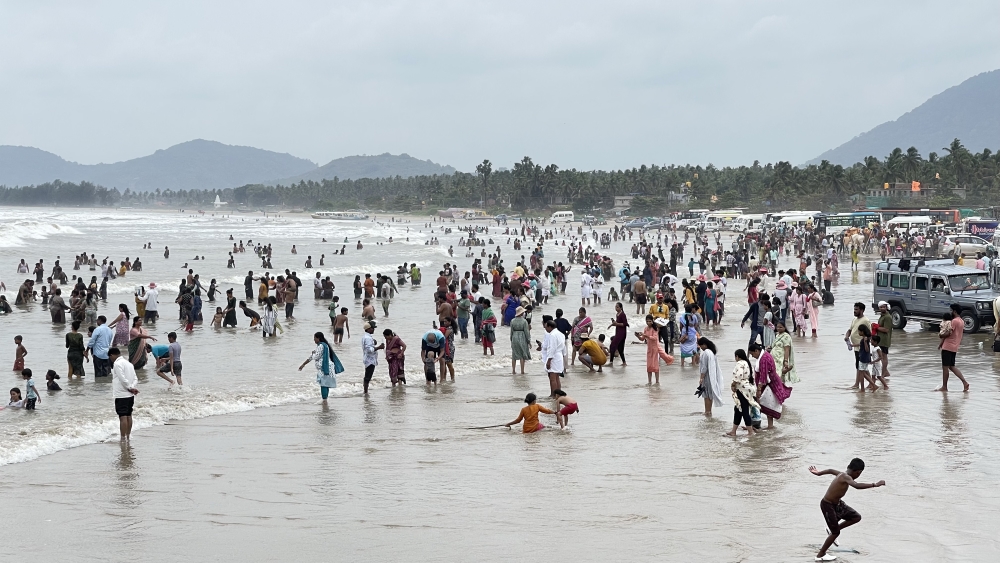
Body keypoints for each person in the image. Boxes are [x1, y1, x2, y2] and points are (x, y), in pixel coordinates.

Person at [809, 459, 885, 561]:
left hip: (837, 504)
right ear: (858, 472)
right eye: (859, 473)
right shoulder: (846, 477)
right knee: (836, 533)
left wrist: (819, 473)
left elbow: (831, 470)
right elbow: (856, 486)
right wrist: (875, 484)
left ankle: (832, 528)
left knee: (856, 517)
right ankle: (820, 555)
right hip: (828, 505)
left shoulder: (842, 474)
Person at [298, 332, 342, 401]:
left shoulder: (321, 346)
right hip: (326, 367)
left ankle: (324, 400)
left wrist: (313, 354)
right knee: (325, 384)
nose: (314, 340)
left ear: (318, 338)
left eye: (314, 338)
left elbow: (316, 357)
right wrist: (303, 364)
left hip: (325, 368)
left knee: (324, 384)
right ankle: (325, 400)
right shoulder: (323, 345)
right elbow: (311, 357)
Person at [937, 304, 970, 392]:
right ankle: (965, 382)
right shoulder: (961, 321)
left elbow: (948, 333)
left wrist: (940, 335)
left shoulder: (954, 321)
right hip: (954, 346)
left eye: (951, 310)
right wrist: (941, 343)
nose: (950, 312)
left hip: (948, 346)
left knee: (945, 367)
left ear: (955, 311)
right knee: (951, 366)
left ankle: (944, 387)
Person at [726, 349, 758, 437]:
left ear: (737, 356)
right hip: (748, 388)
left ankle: (750, 432)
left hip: (742, 389)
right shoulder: (747, 363)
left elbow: (739, 376)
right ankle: (733, 431)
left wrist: (733, 384)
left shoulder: (740, 363)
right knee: (738, 409)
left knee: (744, 410)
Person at [110, 347, 140, 440]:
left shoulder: (117, 364)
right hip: (130, 395)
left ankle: (122, 438)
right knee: (128, 415)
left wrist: (130, 388)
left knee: (122, 416)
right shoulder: (129, 364)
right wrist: (132, 387)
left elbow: (122, 378)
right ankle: (128, 436)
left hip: (121, 394)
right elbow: (135, 378)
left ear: (112, 355)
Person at [635, 314, 674, 384]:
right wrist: (638, 336)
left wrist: (645, 335)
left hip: (655, 348)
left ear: (652, 321)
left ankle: (657, 381)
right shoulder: (645, 329)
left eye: (650, 321)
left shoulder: (655, 329)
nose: (648, 322)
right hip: (649, 349)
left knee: (655, 366)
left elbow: (655, 338)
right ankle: (649, 381)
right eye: (647, 321)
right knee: (649, 366)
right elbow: (642, 339)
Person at [696, 337, 724, 416]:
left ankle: (707, 412)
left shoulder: (706, 353)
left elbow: (704, 367)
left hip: (707, 377)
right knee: (709, 394)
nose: (701, 348)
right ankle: (709, 411)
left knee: (706, 394)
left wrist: (701, 378)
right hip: (712, 376)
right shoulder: (712, 353)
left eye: (701, 346)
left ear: (704, 345)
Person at [540, 319, 566, 397]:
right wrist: (564, 355)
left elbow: (552, 348)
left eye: (546, 327)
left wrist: (549, 360)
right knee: (557, 377)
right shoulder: (561, 334)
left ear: (550, 327)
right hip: (559, 355)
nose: (546, 329)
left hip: (554, 356)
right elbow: (564, 347)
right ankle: (558, 393)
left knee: (553, 378)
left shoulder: (552, 335)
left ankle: (553, 394)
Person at [843, 302, 870, 375]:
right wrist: (847, 336)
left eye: (856, 309)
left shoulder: (866, 320)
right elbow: (850, 330)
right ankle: (858, 383)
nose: (854, 311)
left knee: (861, 367)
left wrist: (865, 344)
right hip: (856, 347)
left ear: (862, 310)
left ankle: (870, 383)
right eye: (854, 309)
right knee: (858, 366)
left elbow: (869, 335)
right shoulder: (854, 320)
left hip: (862, 348)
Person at [771, 319, 799, 386]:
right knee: (774, 375)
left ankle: (781, 390)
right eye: (777, 327)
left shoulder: (786, 336)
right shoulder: (777, 335)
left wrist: (786, 361)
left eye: (781, 327)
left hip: (780, 359)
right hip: (775, 359)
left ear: (784, 327)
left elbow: (787, 349)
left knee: (779, 375)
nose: (779, 328)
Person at [361, 321, 383, 394]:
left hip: (368, 359)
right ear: (368, 329)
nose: (373, 330)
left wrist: (373, 342)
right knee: (368, 377)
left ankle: (365, 391)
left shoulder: (366, 337)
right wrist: (379, 347)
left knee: (367, 376)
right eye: (372, 328)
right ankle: (366, 392)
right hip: (370, 360)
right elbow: (369, 350)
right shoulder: (368, 338)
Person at [509, 306, 532, 374]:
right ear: (521, 313)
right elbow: (526, 332)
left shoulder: (512, 321)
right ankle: (522, 371)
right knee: (522, 355)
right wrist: (529, 341)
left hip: (514, 337)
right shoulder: (524, 321)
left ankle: (513, 370)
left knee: (514, 354)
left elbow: (511, 332)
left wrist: (511, 339)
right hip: (522, 337)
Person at [875, 301, 893, 379]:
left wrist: (876, 327)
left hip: (884, 340)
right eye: (881, 307)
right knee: (881, 356)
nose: (882, 308)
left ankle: (883, 374)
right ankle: (886, 372)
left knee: (883, 356)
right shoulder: (882, 316)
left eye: (884, 307)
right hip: (880, 339)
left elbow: (886, 329)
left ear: (886, 307)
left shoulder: (887, 317)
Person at [608, 302, 629, 366]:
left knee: (612, 345)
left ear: (621, 308)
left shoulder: (622, 314)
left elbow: (625, 324)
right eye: (615, 307)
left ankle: (611, 362)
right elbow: (617, 323)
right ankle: (624, 362)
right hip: (618, 332)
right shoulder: (617, 314)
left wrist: (616, 324)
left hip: (622, 333)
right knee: (620, 348)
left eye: (617, 307)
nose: (616, 308)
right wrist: (612, 325)